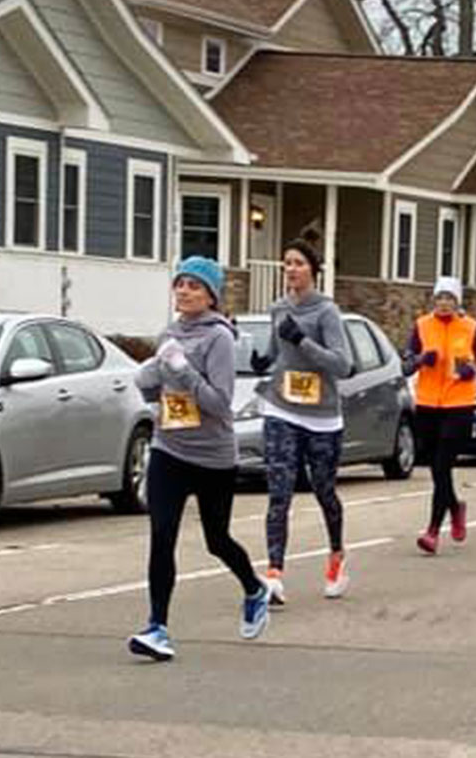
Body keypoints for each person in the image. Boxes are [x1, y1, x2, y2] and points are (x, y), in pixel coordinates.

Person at [130, 257, 269, 660]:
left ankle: (254, 588)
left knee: (216, 540)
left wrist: (182, 368)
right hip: (169, 449)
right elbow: (160, 390)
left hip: (212, 456)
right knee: (162, 535)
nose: (185, 291)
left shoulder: (219, 339)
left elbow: (220, 403)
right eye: (181, 283)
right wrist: (150, 393)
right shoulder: (168, 334)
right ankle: (157, 627)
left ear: (211, 295)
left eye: (194, 286)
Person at [248, 240, 356, 601]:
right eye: (286, 263)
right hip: (281, 407)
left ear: (312, 269)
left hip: (322, 415)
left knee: (324, 490)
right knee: (279, 492)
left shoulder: (326, 312)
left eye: (297, 263)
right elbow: (280, 352)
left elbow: (342, 364)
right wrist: (265, 361)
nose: (291, 269)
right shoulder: (278, 308)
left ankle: (337, 556)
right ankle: (274, 573)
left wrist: (304, 342)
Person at [402, 275, 476, 555]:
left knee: (442, 467)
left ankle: (432, 531)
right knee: (437, 469)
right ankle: (455, 506)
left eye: (449, 299)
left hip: (459, 405)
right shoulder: (422, 326)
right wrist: (419, 361)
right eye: (439, 298)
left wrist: (471, 369)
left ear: (457, 302)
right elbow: (405, 365)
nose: (443, 304)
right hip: (428, 405)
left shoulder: (470, 327)